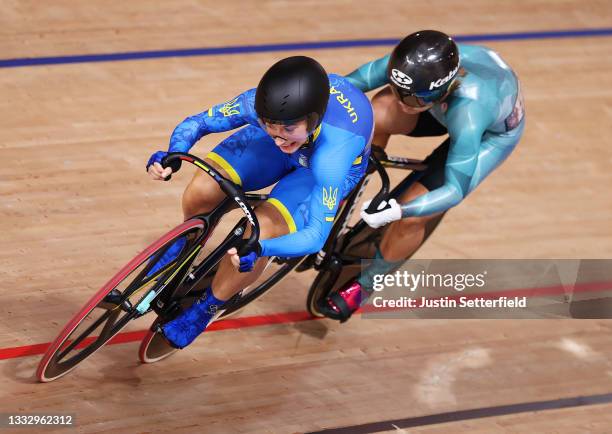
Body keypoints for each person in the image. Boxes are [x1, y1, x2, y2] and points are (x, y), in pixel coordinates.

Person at [146, 56, 374, 348]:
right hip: (301, 141)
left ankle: (207, 309)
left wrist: (262, 248)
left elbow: (316, 237)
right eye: (269, 125)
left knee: (259, 233)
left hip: (316, 168)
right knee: (204, 188)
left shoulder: (333, 159)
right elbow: (198, 122)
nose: (279, 138)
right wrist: (172, 154)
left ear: (313, 119)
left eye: (287, 129)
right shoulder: (262, 109)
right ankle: (184, 242)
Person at [319, 30, 525, 321]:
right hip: (438, 104)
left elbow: (454, 190)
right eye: (398, 89)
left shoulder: (468, 114)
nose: (403, 102)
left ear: (443, 89)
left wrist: (400, 209)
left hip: (487, 135)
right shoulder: (411, 67)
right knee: (372, 111)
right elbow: (343, 89)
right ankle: (350, 183)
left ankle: (366, 285)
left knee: (413, 218)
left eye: (412, 100)